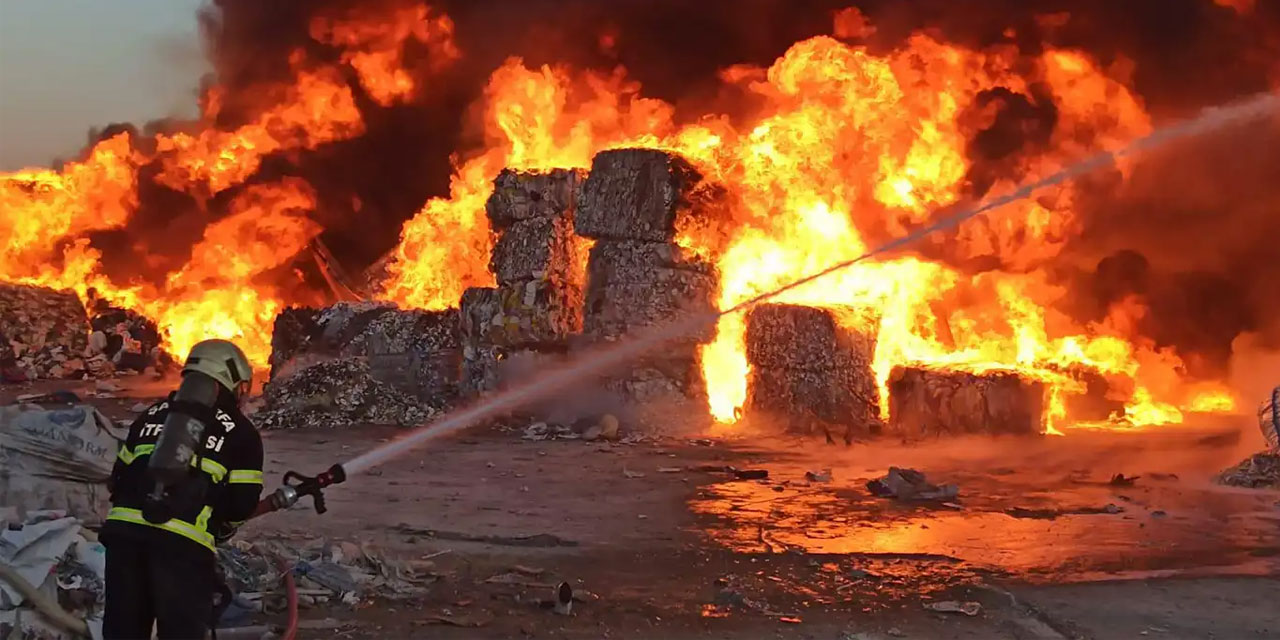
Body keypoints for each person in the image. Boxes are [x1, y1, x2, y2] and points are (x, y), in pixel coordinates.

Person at [101, 339, 264, 639]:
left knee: (122, 631)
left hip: (122, 538)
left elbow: (117, 478)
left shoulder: (150, 415)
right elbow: (242, 503)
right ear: (231, 381)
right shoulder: (241, 431)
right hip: (181, 547)